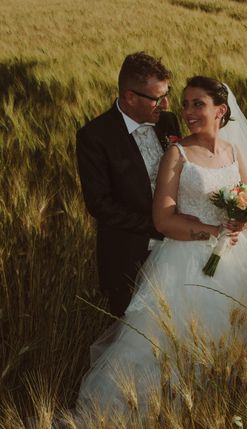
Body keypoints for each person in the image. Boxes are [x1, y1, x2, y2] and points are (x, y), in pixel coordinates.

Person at [77, 76, 247, 416]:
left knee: (236, 344)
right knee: (173, 348)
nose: (187, 112)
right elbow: (163, 220)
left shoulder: (233, 152)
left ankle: (219, 412)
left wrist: (241, 222)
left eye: (198, 104)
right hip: (184, 265)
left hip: (235, 262)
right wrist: (211, 230)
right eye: (186, 103)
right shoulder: (176, 154)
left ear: (221, 110)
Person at [76, 52, 185, 317]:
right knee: (131, 333)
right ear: (130, 97)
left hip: (177, 252)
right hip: (129, 256)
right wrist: (160, 224)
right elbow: (100, 205)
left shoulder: (168, 122)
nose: (166, 103)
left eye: (167, 93)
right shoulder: (95, 136)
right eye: (157, 98)